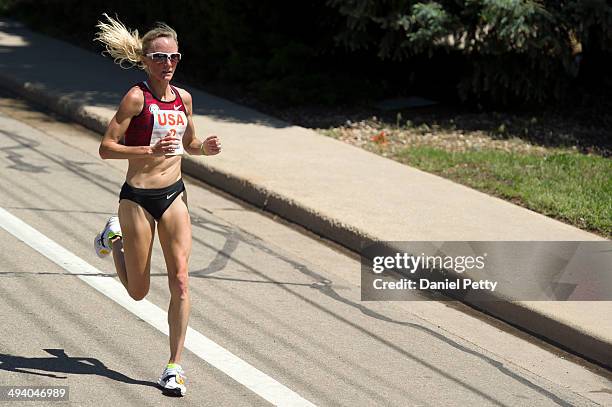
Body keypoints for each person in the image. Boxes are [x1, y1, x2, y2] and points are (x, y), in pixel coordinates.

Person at [92, 14, 221, 396]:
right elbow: (105, 148)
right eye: (160, 58)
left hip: (174, 195)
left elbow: (189, 143)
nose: (168, 64)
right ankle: (113, 239)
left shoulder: (184, 99)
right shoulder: (136, 97)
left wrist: (204, 149)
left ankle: (173, 367)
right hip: (137, 199)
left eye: (174, 58)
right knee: (138, 291)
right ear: (146, 61)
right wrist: (147, 149)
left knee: (181, 280)